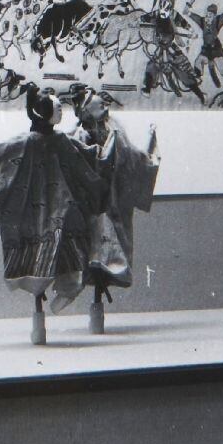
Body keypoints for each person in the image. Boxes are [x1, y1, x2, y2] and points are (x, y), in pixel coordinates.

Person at [0, 86, 105, 345]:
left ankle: (61, 296)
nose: (60, 111)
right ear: (43, 112)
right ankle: (43, 310)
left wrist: (102, 151)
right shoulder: (27, 142)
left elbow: (85, 156)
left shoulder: (61, 141)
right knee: (43, 258)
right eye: (56, 108)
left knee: (70, 254)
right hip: (33, 211)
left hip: (61, 208)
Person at [64, 84, 159, 333]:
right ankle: (95, 303)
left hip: (113, 203)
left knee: (108, 251)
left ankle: (98, 300)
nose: (105, 107)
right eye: (100, 104)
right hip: (90, 205)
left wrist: (148, 148)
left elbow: (131, 156)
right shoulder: (76, 136)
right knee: (90, 251)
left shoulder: (114, 130)